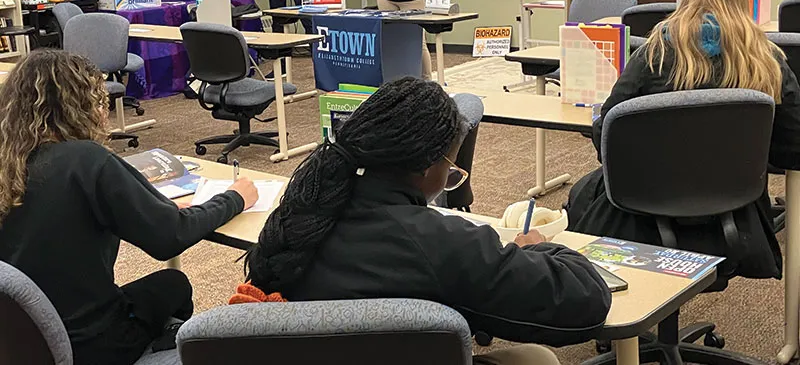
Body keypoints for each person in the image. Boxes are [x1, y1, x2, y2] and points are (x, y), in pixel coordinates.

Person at [244, 77, 612, 364]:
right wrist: (542, 249)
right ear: (426, 166)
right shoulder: (444, 243)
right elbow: (587, 300)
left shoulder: (295, 216)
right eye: (452, 170)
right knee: (537, 358)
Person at [0, 49, 259, 365]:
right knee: (173, 284)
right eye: (98, 102)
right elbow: (169, 237)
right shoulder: (86, 160)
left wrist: (150, 206)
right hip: (91, 344)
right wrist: (235, 197)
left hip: (20, 340)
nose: (101, 113)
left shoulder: (8, 163)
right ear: (77, 107)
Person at [566, 0, 800, 280]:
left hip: (645, 209)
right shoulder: (769, 61)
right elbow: (793, 148)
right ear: (742, 1)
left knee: (583, 193)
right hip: (735, 212)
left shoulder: (654, 54)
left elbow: (607, 132)